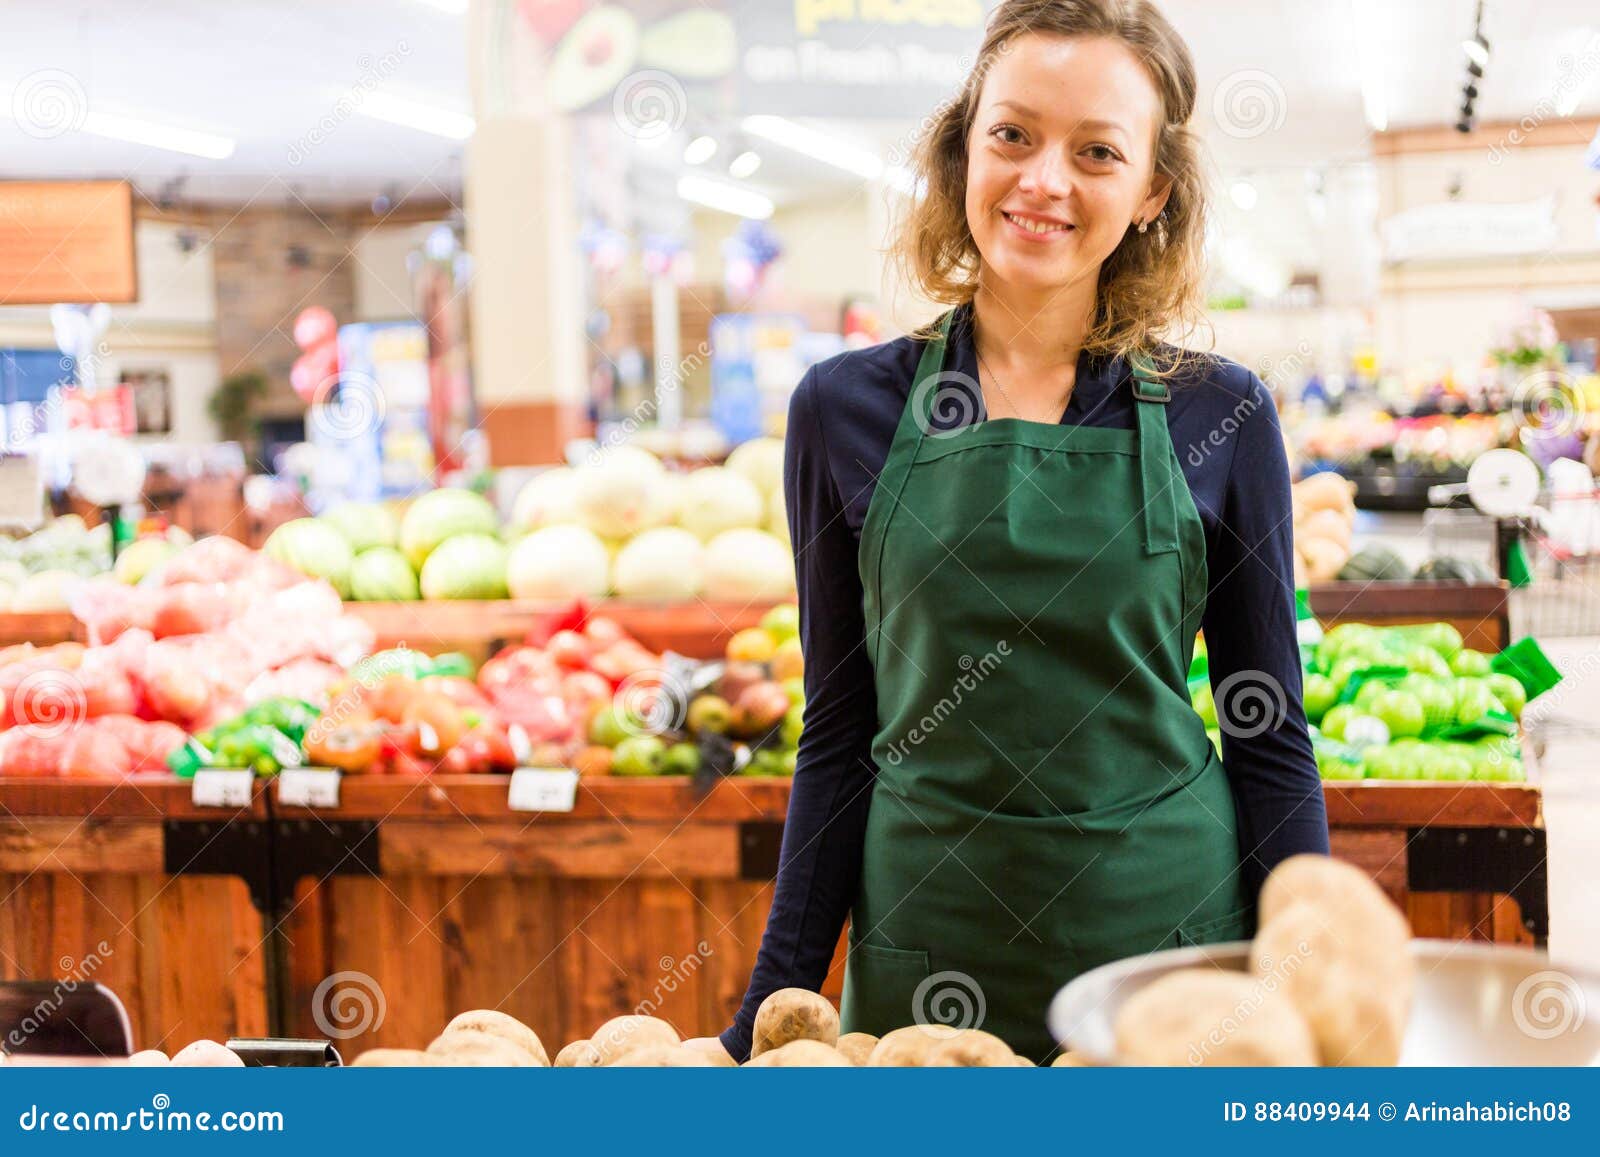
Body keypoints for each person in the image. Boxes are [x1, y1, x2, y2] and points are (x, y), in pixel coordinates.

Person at [701, 0, 1328, 1063]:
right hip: (927, 963)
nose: (1044, 179)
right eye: (1013, 134)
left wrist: (1304, 997)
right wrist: (765, 1023)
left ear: (1150, 194)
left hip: (1170, 958)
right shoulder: (842, 409)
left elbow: (1266, 734)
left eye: (1096, 151)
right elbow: (839, 730)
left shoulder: (1215, 412)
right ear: (960, 152)